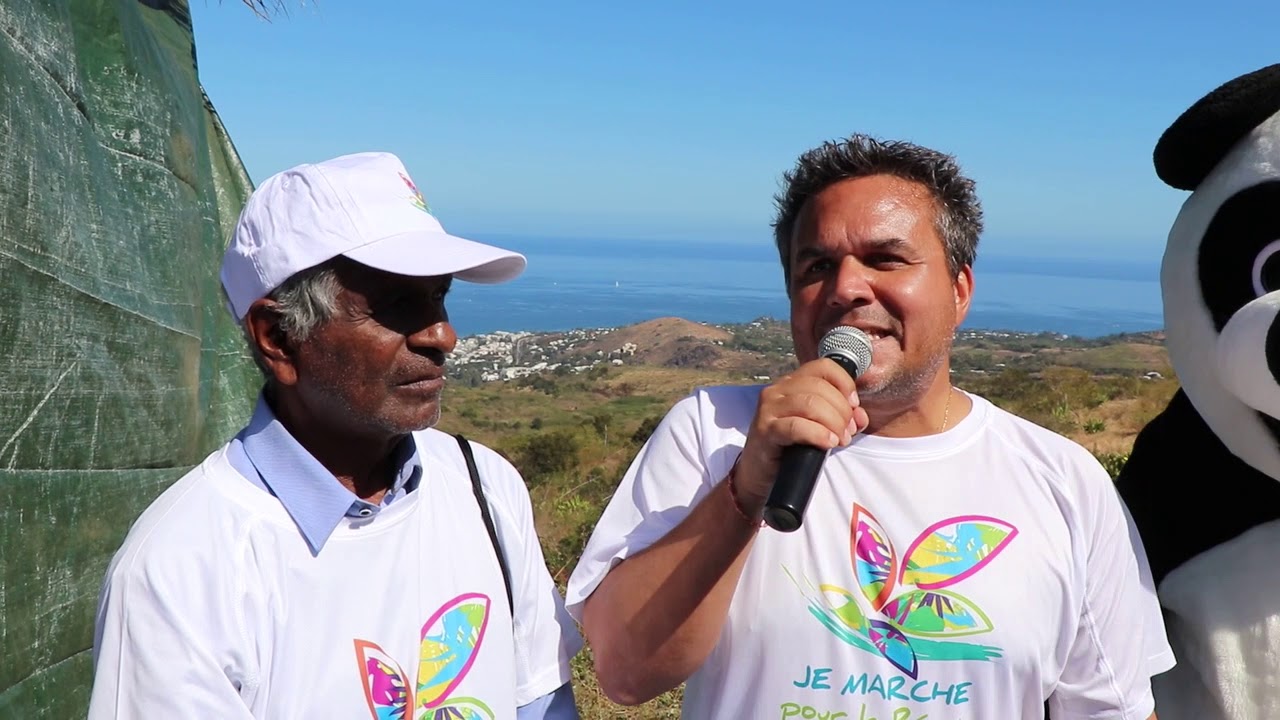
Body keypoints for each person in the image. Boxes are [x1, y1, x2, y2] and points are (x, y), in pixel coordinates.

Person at [565, 134, 1175, 719]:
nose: (847, 288)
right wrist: (743, 493)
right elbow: (624, 673)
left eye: (886, 259)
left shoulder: (1064, 481)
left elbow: (1111, 709)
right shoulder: (712, 431)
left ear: (959, 290)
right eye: (816, 266)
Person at [88, 151, 582, 719]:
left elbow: (540, 703)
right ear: (278, 337)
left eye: (438, 297)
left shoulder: (482, 486)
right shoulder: (184, 570)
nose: (442, 335)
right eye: (394, 306)